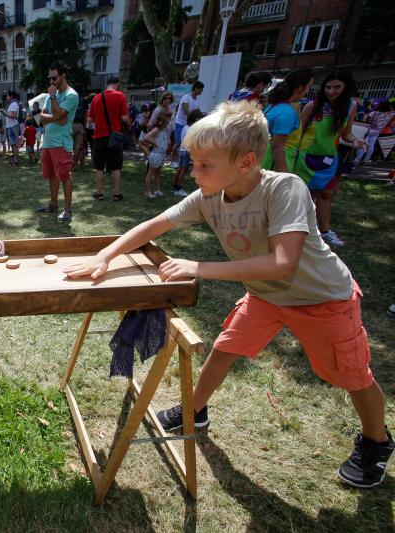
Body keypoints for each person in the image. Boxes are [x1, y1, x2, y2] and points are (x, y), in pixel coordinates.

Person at [64, 100, 393, 490]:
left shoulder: (284, 188)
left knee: (352, 376)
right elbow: (154, 224)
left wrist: (199, 268)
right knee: (224, 349)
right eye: (194, 162)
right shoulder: (208, 196)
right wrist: (104, 257)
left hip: (323, 299)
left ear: (246, 161)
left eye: (205, 164)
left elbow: (282, 262)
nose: (193, 171)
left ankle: (377, 441)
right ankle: (194, 411)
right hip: (266, 297)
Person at [293, 70, 367, 248]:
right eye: (328, 87)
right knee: (306, 195)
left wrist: (355, 141)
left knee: (326, 194)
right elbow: (298, 132)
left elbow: (346, 133)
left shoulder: (350, 107)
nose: (331, 91)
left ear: (346, 88)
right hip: (305, 157)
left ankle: (325, 232)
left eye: (336, 87)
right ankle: (303, 231)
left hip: (329, 158)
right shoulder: (312, 106)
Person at [36, 61, 79, 222]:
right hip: (47, 142)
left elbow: (59, 116)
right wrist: (57, 117)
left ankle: (68, 210)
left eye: (54, 78)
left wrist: (54, 98)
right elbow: (42, 117)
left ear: (63, 76)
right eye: (50, 78)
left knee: (64, 176)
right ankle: (53, 205)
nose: (51, 82)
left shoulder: (71, 95)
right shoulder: (49, 96)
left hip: (61, 143)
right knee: (51, 176)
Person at [261, 68, 315, 172]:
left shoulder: (273, 106)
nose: (308, 91)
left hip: (265, 164)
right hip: (274, 169)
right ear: (300, 88)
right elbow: (277, 146)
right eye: (309, 87)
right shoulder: (286, 113)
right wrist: (284, 175)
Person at [88, 75, 129, 201]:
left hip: (99, 137)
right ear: (117, 84)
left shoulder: (96, 98)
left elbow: (89, 119)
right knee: (116, 167)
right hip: (114, 137)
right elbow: (124, 118)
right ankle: (116, 194)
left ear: (107, 84)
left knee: (99, 167)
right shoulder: (121, 96)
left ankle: (99, 193)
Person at [171, 109, 204, 196]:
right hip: (186, 151)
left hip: (182, 150)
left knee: (180, 169)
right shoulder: (190, 129)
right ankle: (179, 188)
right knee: (183, 170)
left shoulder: (185, 127)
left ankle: (175, 187)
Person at [172, 82, 204, 168]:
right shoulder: (186, 98)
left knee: (186, 144)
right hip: (180, 123)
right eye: (201, 89)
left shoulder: (197, 100)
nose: (202, 91)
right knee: (178, 142)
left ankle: (182, 161)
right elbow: (187, 112)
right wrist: (197, 116)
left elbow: (198, 113)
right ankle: (173, 160)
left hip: (189, 124)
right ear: (196, 88)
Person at [141, 113, 171, 198]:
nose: (168, 122)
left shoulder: (164, 130)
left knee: (158, 173)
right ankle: (148, 192)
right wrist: (154, 143)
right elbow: (146, 137)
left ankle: (157, 190)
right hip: (156, 154)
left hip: (161, 154)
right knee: (151, 173)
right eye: (166, 121)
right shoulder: (157, 129)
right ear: (161, 121)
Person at [5, 90, 21, 165]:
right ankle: (14, 159)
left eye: (7, 96)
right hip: (11, 126)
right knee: (13, 143)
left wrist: (5, 114)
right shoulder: (12, 104)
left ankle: (16, 160)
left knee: (14, 144)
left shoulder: (14, 104)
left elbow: (14, 116)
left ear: (11, 96)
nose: (6, 97)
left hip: (13, 126)